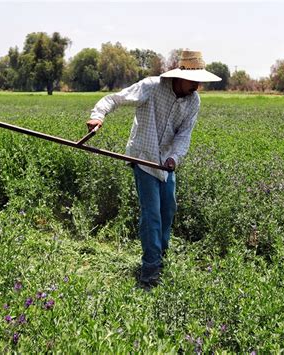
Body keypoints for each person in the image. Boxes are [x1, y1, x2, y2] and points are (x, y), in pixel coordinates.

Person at [86, 50, 221, 287]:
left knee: (168, 211)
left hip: (166, 163)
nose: (197, 86)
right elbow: (114, 99)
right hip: (144, 157)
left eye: (200, 81)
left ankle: (161, 259)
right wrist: (98, 116)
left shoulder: (193, 101)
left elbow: (184, 135)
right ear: (179, 77)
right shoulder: (152, 87)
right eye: (194, 80)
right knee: (152, 215)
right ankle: (150, 270)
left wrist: (174, 158)